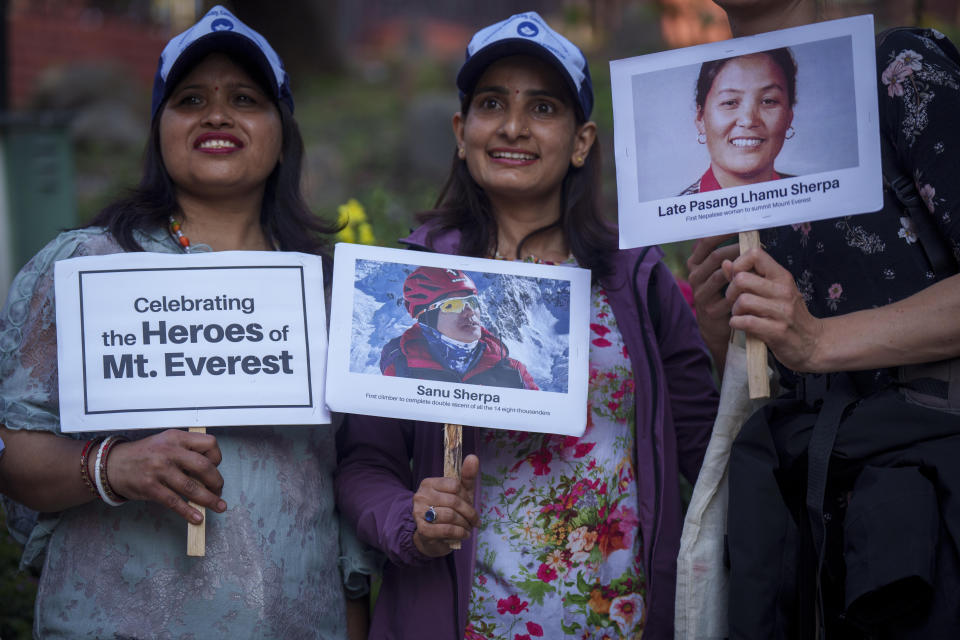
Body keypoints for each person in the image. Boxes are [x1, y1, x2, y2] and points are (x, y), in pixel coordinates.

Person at [336, 11, 719, 640]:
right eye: (492, 104)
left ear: (582, 142)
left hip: (619, 622)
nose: (513, 127)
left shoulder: (637, 278)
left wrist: (731, 340)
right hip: (457, 622)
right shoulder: (412, 279)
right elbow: (362, 462)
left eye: (543, 108)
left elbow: (705, 448)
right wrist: (410, 517)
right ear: (461, 132)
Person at [0, 6, 371, 638]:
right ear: (159, 130)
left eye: (245, 99)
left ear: (283, 134)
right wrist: (113, 466)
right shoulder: (88, 268)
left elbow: (349, 481)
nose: (217, 115)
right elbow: (11, 449)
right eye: (191, 98)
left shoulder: (333, 294)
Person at [686, 0, 960, 637]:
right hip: (799, 526)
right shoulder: (732, 167)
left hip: (928, 521)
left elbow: (812, 338)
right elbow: (772, 363)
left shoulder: (901, 68)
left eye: (771, 101)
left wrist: (819, 340)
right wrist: (722, 332)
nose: (749, 117)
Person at [380, 266, 539, 389]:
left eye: (472, 302)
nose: (470, 312)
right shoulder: (401, 369)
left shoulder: (513, 371)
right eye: (453, 305)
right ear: (428, 318)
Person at [681, 47, 797, 194]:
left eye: (768, 101)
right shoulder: (675, 215)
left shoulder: (814, 198)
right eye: (729, 103)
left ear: (788, 116)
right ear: (700, 118)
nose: (748, 120)